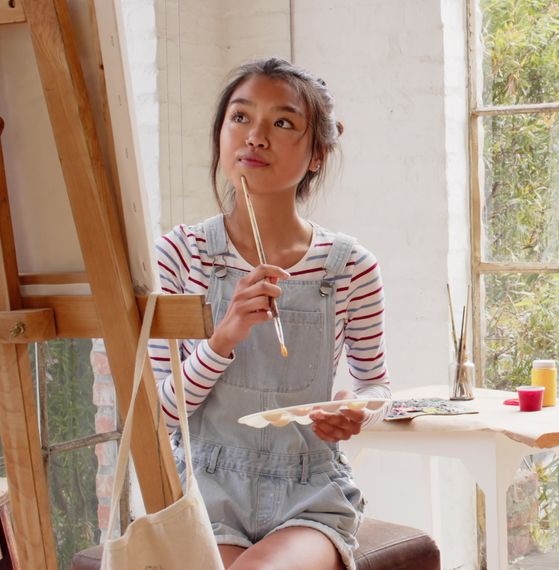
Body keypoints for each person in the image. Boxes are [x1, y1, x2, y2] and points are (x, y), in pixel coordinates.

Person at [150, 57, 390, 570]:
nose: (255, 137)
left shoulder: (350, 267)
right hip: (202, 487)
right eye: (240, 117)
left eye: (282, 123)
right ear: (221, 134)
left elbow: (376, 387)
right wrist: (223, 337)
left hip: (311, 493)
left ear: (317, 155)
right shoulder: (179, 255)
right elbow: (162, 412)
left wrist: (356, 409)